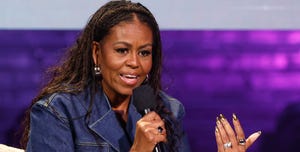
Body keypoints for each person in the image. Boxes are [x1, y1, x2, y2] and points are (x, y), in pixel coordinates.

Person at [19, 0, 260, 151]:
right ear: (96, 53)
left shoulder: (168, 110)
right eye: (122, 50)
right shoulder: (57, 113)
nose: (134, 63)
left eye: (144, 52)